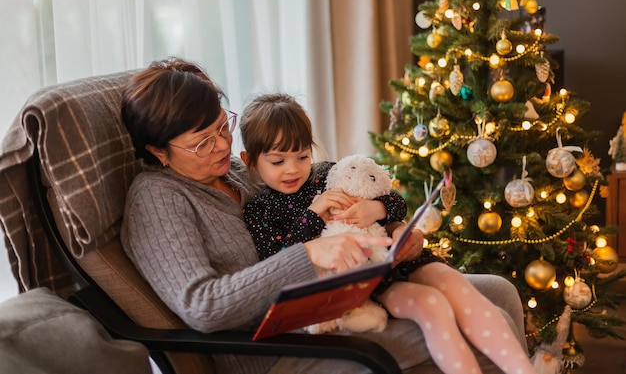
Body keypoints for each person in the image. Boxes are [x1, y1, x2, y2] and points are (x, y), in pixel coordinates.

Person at [120, 57, 528, 374]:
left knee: (499, 291)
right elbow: (202, 306)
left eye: (222, 128)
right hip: (276, 347)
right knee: (465, 322)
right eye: (201, 143)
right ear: (159, 151)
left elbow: (326, 177)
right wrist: (311, 253)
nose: (220, 146)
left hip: (336, 299)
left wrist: (391, 219)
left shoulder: (236, 170)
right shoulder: (157, 198)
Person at [239, 93, 537, 374]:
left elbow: (395, 201)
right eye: (278, 161)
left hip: (399, 259)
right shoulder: (260, 209)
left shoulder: (329, 173)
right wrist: (313, 214)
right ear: (250, 161)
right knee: (432, 308)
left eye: (302, 157)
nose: (293, 170)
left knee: (455, 286)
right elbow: (281, 263)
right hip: (363, 284)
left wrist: (377, 210)